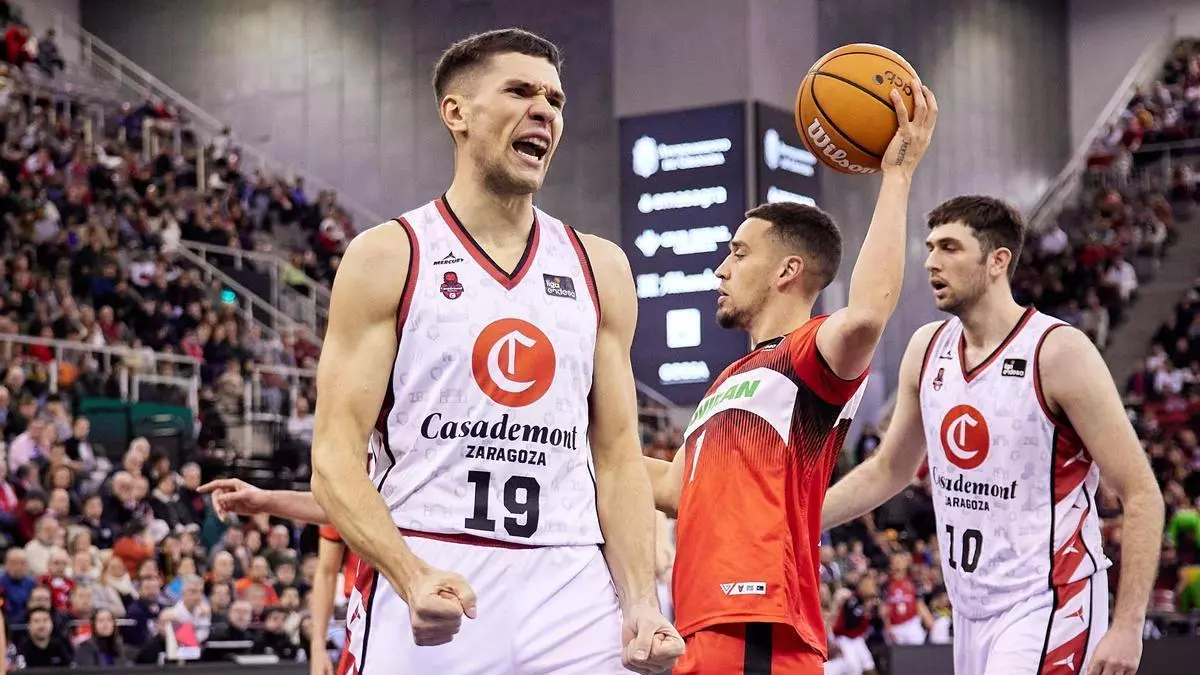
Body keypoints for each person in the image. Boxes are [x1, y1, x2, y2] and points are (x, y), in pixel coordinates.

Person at [202, 28, 681, 674]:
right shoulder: (390, 255)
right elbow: (334, 458)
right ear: (456, 112)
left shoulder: (601, 267)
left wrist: (642, 602)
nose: (544, 110)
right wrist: (408, 573)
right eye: (520, 91)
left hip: (570, 577)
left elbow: (619, 458)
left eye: (555, 99)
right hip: (435, 566)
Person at [642, 82, 939, 673]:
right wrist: (564, 448)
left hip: (760, 623)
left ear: (787, 271)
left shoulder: (807, 354)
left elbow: (868, 314)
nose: (721, 269)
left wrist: (897, 176)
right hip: (701, 622)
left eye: (738, 253)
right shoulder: (726, 380)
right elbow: (674, 487)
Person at [821, 196, 1164, 675]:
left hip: (1050, 600)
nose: (931, 261)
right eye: (930, 247)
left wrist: (1128, 625)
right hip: (970, 609)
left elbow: (1142, 492)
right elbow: (889, 469)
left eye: (949, 247)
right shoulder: (926, 348)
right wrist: (801, 521)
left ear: (998, 261)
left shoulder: (1057, 352)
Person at [880, 552, 931, 647]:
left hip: (911, 623)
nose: (898, 563)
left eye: (900, 560)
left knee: (917, 648)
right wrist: (888, 626)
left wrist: (928, 619)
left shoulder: (914, 582)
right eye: (895, 561)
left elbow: (919, 603)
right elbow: (883, 608)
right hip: (894, 626)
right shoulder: (886, 584)